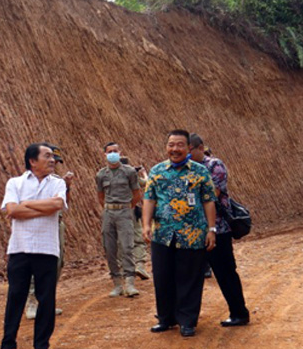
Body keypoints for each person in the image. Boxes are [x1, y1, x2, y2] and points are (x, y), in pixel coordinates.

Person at [0, 143, 67, 349]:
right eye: (47, 156)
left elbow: (57, 204)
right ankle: (8, 344)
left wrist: (26, 204)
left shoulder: (58, 182)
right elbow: (12, 210)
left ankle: (42, 345)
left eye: (53, 156)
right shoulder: (15, 182)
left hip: (47, 248)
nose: (52, 160)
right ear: (32, 161)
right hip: (20, 247)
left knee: (46, 297)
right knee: (16, 295)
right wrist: (39, 208)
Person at [142, 130, 217, 337]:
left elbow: (209, 201)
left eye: (179, 145)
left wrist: (211, 229)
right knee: (162, 277)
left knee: (190, 278)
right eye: (171, 145)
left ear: (188, 148)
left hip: (192, 235)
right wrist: (146, 225)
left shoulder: (200, 172)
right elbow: (149, 199)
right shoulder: (157, 171)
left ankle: (187, 321)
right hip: (162, 235)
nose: (175, 149)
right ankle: (165, 319)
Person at [189, 134, 250, 327]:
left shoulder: (214, 166)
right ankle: (184, 317)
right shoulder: (183, 168)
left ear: (200, 148)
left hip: (218, 228)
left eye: (190, 150)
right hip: (192, 231)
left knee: (225, 272)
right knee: (189, 275)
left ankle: (239, 312)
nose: (187, 154)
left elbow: (212, 193)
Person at [24, 143, 74, 319]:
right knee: (36, 262)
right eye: (51, 159)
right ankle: (32, 302)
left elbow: (63, 204)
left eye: (56, 161)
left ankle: (45, 302)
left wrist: (67, 186)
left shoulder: (57, 181)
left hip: (56, 224)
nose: (54, 163)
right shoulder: (30, 182)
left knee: (57, 262)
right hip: (37, 225)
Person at [96, 142, 142, 297]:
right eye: (109, 151)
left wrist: (127, 208)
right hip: (108, 213)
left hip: (124, 212)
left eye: (115, 151)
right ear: (105, 154)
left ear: (120, 153)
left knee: (127, 246)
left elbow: (136, 194)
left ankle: (130, 283)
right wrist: (109, 208)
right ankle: (117, 284)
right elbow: (100, 196)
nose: (113, 154)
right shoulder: (101, 174)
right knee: (109, 248)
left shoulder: (129, 172)